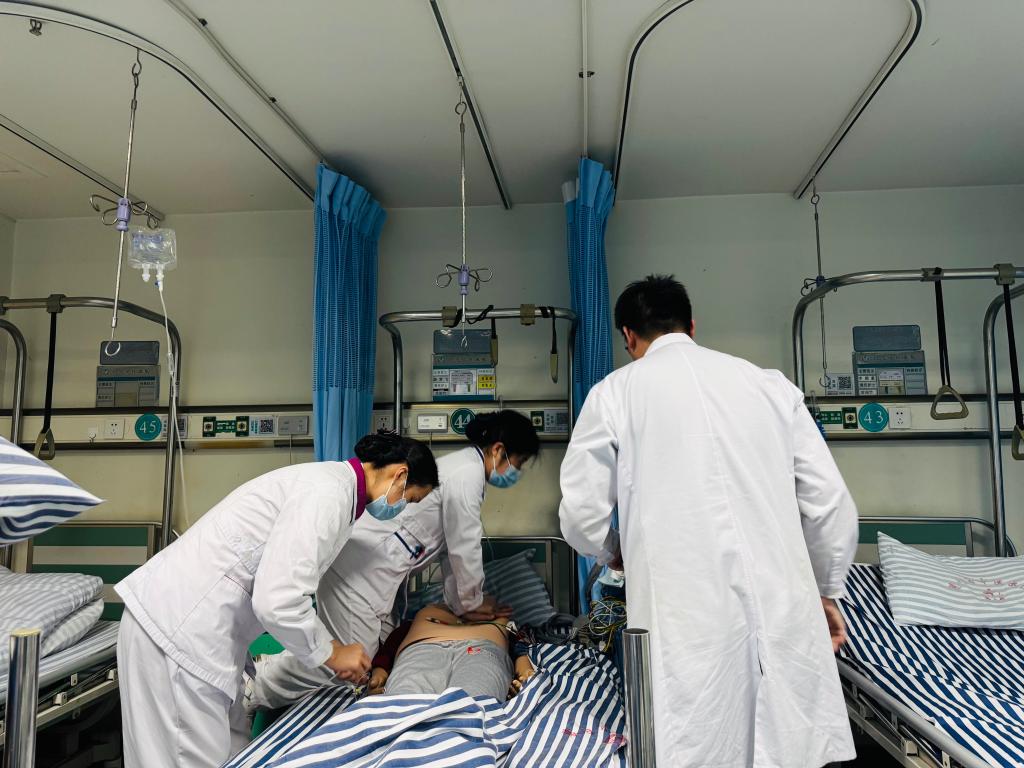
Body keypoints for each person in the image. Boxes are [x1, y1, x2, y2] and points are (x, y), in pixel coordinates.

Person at [558, 275, 859, 768]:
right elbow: (830, 504)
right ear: (692, 326)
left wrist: (613, 550)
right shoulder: (769, 385)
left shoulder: (615, 393)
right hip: (782, 603)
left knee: (700, 740)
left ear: (628, 336)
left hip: (685, 616)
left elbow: (580, 515)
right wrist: (825, 590)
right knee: (788, 741)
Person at [115, 432, 439, 768]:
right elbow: (279, 600)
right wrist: (333, 653)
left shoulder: (334, 490)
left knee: (233, 751)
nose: (402, 508)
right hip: (179, 632)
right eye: (410, 499)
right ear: (400, 474)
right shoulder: (327, 494)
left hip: (196, 630)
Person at [245, 410, 540, 711]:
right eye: (519, 462)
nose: (516, 471)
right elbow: (464, 547)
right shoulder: (466, 474)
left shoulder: (463, 470)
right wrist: (472, 603)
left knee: (366, 653)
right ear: (499, 450)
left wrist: (463, 603)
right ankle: (258, 687)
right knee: (348, 660)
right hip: (361, 572)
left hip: (378, 573)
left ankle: (272, 668)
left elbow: (451, 554)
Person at [367, 603, 535, 701]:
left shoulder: (499, 612)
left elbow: (518, 643)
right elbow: (393, 642)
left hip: (481, 650)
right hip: (422, 649)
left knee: (472, 702)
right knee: (403, 700)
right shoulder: (429, 610)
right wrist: (379, 671)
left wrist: (523, 668)